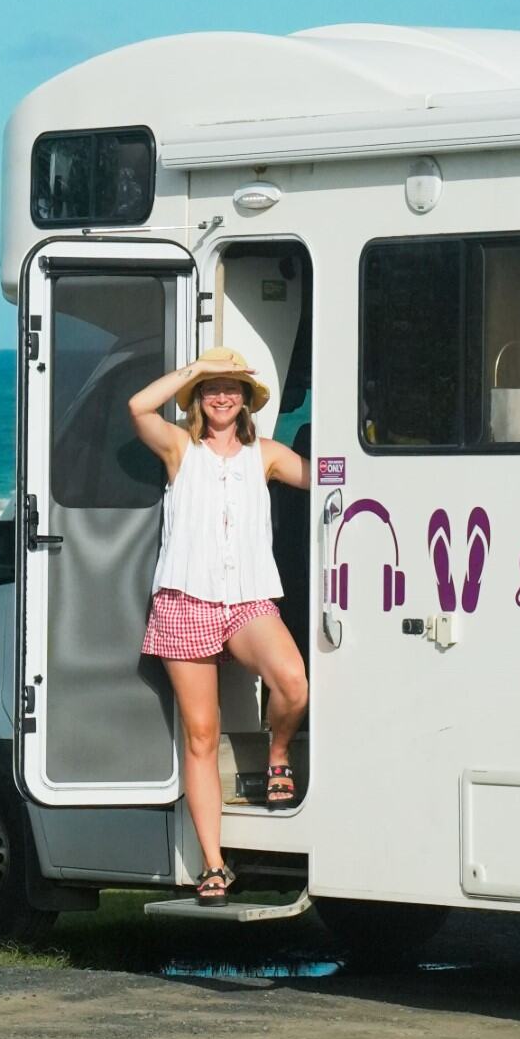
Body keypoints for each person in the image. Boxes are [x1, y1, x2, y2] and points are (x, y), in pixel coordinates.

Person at [129, 346, 310, 903]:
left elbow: (332, 479)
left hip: (248, 601)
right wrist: (195, 370)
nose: (222, 396)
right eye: (212, 389)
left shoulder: (267, 456)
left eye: (231, 388)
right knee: (201, 735)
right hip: (186, 600)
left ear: (248, 402)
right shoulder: (181, 449)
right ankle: (214, 864)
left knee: (292, 682)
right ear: (199, 399)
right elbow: (138, 407)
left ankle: (278, 755)